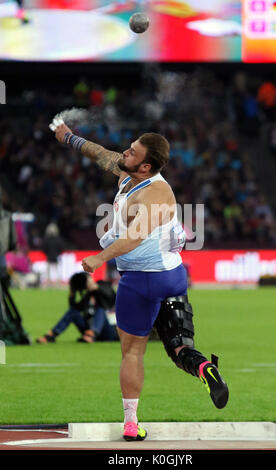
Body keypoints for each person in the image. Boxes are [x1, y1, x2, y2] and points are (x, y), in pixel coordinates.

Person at [51, 119, 229, 442]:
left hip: (139, 280)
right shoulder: (127, 174)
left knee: (132, 353)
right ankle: (205, 369)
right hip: (172, 278)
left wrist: (99, 257)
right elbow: (100, 153)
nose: (124, 152)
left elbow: (134, 237)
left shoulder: (158, 194)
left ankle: (131, 423)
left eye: (132, 152)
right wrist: (70, 138)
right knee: (179, 348)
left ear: (146, 166)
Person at [36, 272, 118, 344]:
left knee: (100, 309)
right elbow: (73, 310)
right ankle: (52, 335)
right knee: (73, 312)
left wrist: (96, 287)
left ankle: (92, 334)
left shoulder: (103, 285)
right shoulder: (87, 296)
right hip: (88, 329)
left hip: (109, 331)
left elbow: (110, 295)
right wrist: (72, 293)